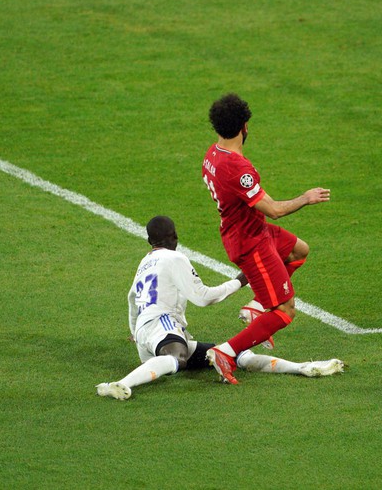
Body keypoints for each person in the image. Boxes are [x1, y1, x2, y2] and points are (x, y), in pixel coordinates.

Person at [95, 216, 343, 400]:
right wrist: (239, 281)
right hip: (162, 324)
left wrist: (135, 331)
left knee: (232, 354)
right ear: (175, 237)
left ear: (149, 240)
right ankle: (118, 384)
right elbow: (203, 298)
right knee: (176, 358)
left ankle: (302, 368)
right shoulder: (175, 258)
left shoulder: (145, 262)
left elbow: (131, 299)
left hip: (146, 335)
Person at [201, 93, 331, 384]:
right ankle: (226, 352)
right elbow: (273, 210)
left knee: (299, 251)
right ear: (245, 126)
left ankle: (255, 307)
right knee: (285, 311)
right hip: (251, 243)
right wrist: (306, 198)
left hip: (251, 228)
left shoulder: (213, 155)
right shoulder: (237, 168)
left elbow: (256, 200)